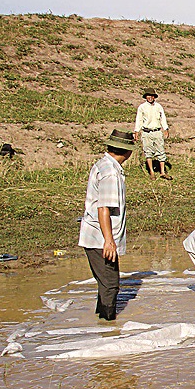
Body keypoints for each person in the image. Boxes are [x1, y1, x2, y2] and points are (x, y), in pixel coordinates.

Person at [78, 130, 135, 320]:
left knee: (104, 283)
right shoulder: (111, 173)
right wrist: (109, 241)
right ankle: (108, 326)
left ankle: (100, 319)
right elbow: (104, 208)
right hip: (100, 238)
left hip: (95, 235)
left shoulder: (104, 164)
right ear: (128, 152)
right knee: (110, 283)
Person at [133, 89, 171, 180]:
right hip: (146, 132)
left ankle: (162, 172)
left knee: (161, 151)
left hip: (157, 131)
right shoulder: (142, 107)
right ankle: (152, 172)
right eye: (148, 95)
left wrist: (165, 128)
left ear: (154, 97)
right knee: (148, 152)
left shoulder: (158, 106)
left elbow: (163, 118)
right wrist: (136, 131)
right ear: (146, 97)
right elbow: (139, 120)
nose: (150, 97)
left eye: (152, 96)